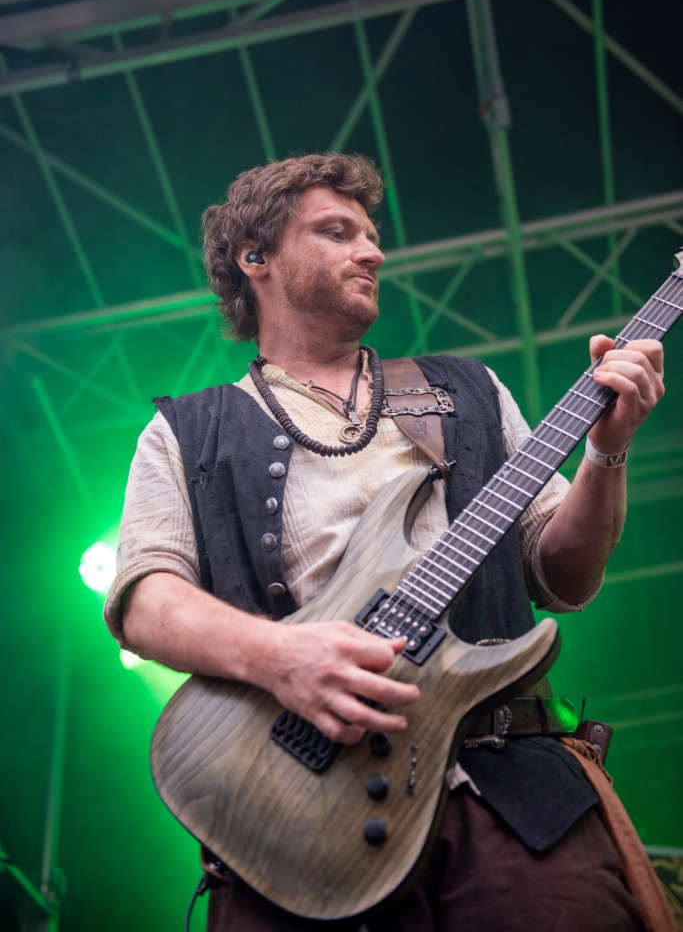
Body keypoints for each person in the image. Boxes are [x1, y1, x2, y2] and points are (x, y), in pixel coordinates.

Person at [105, 154, 665, 932]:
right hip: (299, 816)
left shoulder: (467, 389)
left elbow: (562, 576)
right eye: (336, 232)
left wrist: (607, 452)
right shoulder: (185, 431)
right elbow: (145, 600)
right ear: (254, 256)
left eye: (371, 234)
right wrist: (279, 657)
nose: (371, 251)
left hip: (509, 792)